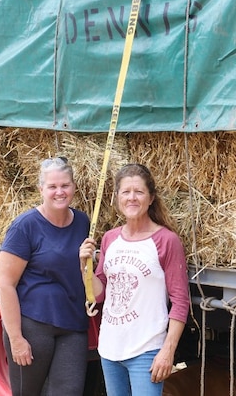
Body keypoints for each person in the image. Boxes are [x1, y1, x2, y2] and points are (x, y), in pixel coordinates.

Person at [79, 163, 190, 396]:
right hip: (110, 349)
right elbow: (99, 294)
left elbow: (180, 301)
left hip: (147, 351)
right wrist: (84, 267)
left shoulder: (166, 241)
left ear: (150, 198)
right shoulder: (110, 238)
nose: (132, 198)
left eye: (139, 192)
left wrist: (167, 351)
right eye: (125, 192)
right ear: (117, 198)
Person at [0, 156, 91, 396]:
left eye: (65, 185)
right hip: (33, 325)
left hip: (73, 327)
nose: (60, 192)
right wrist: (16, 338)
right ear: (41, 189)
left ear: (74, 187)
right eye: (52, 187)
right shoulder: (25, 226)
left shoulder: (82, 222)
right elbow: (5, 283)